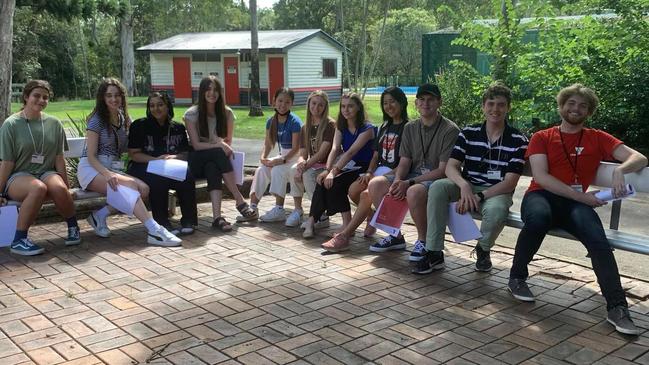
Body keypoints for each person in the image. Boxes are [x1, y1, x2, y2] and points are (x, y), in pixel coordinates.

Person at [508, 84, 647, 335]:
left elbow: (639, 157)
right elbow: (541, 176)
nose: (576, 109)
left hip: (575, 204)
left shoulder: (597, 137)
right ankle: (517, 278)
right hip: (541, 196)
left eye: (583, 105)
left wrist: (619, 169)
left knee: (598, 240)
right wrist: (581, 197)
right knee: (538, 219)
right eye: (571, 103)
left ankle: (617, 307)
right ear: (561, 106)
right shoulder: (542, 137)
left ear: (589, 111)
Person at [414, 83, 528, 274]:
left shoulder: (517, 140)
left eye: (501, 105)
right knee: (438, 187)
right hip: (467, 186)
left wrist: (480, 196)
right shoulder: (469, 133)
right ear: (483, 106)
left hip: (496, 191)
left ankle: (483, 249)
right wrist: (464, 186)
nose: (495, 109)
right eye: (490, 104)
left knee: (497, 210)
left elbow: (510, 182)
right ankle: (434, 251)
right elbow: (451, 167)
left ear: (508, 108)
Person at [78, 77, 181, 246]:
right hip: (92, 168)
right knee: (130, 186)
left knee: (144, 189)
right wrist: (108, 174)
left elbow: (132, 146)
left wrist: (158, 157)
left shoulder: (124, 118)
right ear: (102, 98)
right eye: (109, 95)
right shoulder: (96, 120)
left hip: (111, 167)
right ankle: (154, 230)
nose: (113, 99)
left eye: (117, 95)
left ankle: (100, 215)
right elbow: (90, 155)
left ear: (122, 97)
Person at [366, 84, 459, 260]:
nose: (426, 103)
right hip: (411, 175)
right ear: (416, 103)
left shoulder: (450, 130)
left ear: (439, 102)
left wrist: (408, 183)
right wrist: (397, 180)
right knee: (376, 184)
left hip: (436, 178)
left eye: (431, 99)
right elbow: (404, 162)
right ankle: (395, 235)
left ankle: (423, 241)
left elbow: (442, 170)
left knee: (414, 191)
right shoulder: (411, 128)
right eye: (422, 99)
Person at [321, 86, 410, 252]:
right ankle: (371, 218)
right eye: (385, 103)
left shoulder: (409, 128)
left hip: (396, 173)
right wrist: (369, 172)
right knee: (353, 189)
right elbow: (375, 156)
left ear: (402, 103)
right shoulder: (384, 127)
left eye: (393, 102)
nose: (389, 106)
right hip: (378, 171)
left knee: (365, 194)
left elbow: (407, 161)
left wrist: (388, 175)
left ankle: (344, 236)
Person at [0, 80, 81, 255]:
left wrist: (67, 189)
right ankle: (19, 240)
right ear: (26, 97)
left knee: (58, 188)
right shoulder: (11, 124)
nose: (41, 100)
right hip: (19, 176)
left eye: (45, 97)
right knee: (38, 188)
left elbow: (59, 158)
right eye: (36, 95)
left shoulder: (54, 123)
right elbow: (7, 163)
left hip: (46, 171)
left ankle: (73, 227)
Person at [184, 76, 257, 231]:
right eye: (208, 89)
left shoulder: (227, 113)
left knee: (213, 167)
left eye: (216, 90)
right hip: (195, 161)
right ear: (202, 92)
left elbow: (228, 143)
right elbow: (196, 146)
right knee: (217, 153)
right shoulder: (192, 114)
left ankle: (217, 217)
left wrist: (219, 146)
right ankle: (239, 200)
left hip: (214, 160)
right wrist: (217, 144)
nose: (212, 93)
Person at [302, 92, 375, 239]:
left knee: (335, 183)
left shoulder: (367, 128)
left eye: (350, 106)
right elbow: (335, 149)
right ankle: (317, 221)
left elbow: (351, 152)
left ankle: (364, 218)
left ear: (358, 108)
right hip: (350, 166)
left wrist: (333, 172)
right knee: (324, 182)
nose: (346, 110)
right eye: (343, 106)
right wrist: (327, 170)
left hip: (365, 168)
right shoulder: (341, 127)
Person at [127, 92, 197, 236]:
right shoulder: (139, 126)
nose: (156, 109)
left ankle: (188, 220)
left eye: (160, 105)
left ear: (167, 106)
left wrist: (173, 157)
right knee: (157, 179)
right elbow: (134, 154)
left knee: (187, 174)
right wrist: (156, 160)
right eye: (152, 105)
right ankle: (162, 222)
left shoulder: (177, 127)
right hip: (143, 165)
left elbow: (185, 154)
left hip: (169, 165)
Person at [246, 87, 304, 224]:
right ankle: (252, 208)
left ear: (292, 104)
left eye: (287, 102)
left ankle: (279, 209)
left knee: (277, 170)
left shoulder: (294, 122)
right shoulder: (271, 121)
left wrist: (281, 160)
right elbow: (268, 143)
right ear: (274, 101)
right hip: (282, 155)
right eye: (280, 101)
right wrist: (263, 158)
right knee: (261, 170)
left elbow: (296, 148)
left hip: (294, 157)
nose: (283, 105)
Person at [289, 90, 336, 229]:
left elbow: (322, 153)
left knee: (308, 174)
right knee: (294, 170)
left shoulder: (330, 125)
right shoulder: (305, 127)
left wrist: (304, 167)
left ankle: (321, 216)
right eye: (314, 103)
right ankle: (298, 211)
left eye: (320, 105)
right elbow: (303, 152)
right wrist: (300, 163)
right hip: (315, 164)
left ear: (325, 107)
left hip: (328, 164)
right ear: (309, 103)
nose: (316, 107)